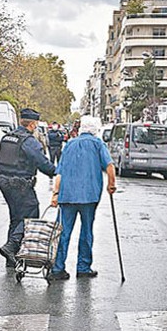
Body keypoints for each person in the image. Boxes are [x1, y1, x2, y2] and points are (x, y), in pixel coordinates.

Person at [48, 115, 116, 281]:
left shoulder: (69, 144)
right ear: (94, 131)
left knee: (62, 232)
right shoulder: (98, 144)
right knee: (86, 231)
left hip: (67, 195)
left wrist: (55, 194)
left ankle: (58, 268)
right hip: (89, 196)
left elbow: (59, 173)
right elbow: (110, 166)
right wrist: (111, 185)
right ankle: (83, 267)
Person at [0, 108, 57, 269]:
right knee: (31, 213)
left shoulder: (7, 138)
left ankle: (11, 258)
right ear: (32, 124)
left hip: (3, 183)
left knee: (15, 218)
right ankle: (12, 245)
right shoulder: (28, 141)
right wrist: (56, 172)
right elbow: (41, 161)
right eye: (35, 124)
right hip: (20, 184)